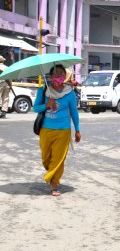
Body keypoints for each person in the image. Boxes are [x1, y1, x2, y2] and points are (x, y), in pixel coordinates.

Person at [33, 64, 81, 196]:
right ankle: (52, 173)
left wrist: (77, 129)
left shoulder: (69, 93)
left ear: (64, 77)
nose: (58, 76)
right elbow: (35, 108)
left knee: (59, 159)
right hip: (46, 130)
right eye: (56, 73)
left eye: (61, 74)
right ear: (50, 76)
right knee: (46, 158)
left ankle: (54, 184)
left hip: (63, 130)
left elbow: (74, 112)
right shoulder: (43, 91)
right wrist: (46, 105)